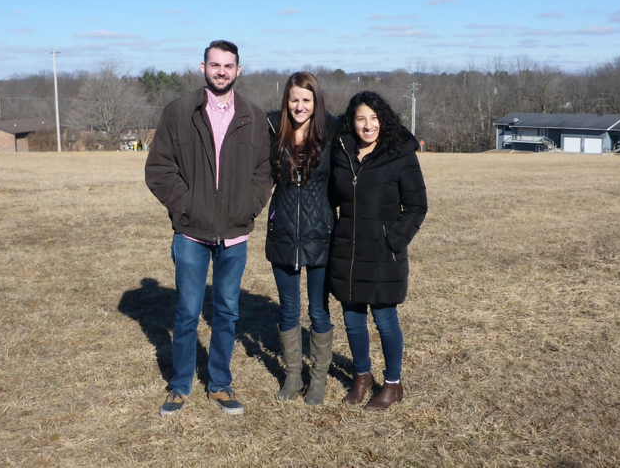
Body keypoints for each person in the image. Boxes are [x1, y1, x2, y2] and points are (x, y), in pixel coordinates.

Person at [145, 40, 271, 417]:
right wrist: (187, 207)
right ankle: (180, 385)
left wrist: (248, 206)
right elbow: (159, 169)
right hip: (191, 232)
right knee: (187, 310)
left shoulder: (252, 114)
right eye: (215, 64)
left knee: (228, 311)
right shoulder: (178, 112)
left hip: (234, 234)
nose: (221, 71)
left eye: (228, 65)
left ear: (238, 70)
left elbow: (263, 171)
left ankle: (219, 383)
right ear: (202, 67)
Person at [328, 91, 427, 411]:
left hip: (384, 252)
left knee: (385, 320)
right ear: (352, 122)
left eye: (374, 118)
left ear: (383, 120)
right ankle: (361, 377)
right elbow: (332, 196)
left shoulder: (399, 153)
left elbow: (416, 206)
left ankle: (393, 384)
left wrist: (393, 241)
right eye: (361, 118)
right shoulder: (342, 151)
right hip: (348, 250)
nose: (368, 125)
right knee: (353, 319)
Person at [265, 72, 338, 405]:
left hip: (320, 234)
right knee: (288, 311)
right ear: (286, 101)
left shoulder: (332, 132)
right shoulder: (271, 131)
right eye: (294, 99)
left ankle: (318, 380)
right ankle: (293, 378)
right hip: (282, 234)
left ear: (315, 102)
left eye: (306, 99)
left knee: (319, 312)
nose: (299, 106)